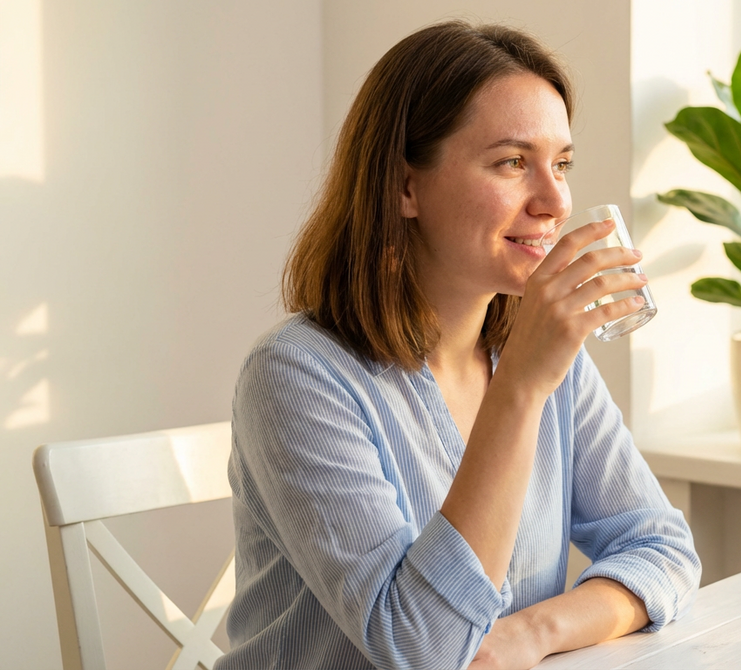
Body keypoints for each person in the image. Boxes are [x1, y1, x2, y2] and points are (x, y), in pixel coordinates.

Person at [216, 20, 701, 670]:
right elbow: (422, 651)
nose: (555, 200)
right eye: (511, 163)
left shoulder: (544, 358)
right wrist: (521, 390)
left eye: (561, 164)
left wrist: (532, 634)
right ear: (405, 186)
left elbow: (663, 547)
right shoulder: (297, 377)